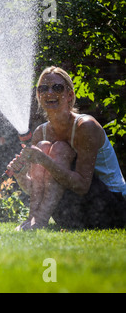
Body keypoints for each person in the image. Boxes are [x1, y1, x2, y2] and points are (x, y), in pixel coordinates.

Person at [7, 66, 126, 230]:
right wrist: (20, 176)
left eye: (57, 87)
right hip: (71, 211)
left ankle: (39, 222)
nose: (49, 92)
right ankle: (33, 220)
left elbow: (82, 186)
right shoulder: (40, 134)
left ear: (70, 95)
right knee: (43, 146)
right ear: (38, 96)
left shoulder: (86, 126)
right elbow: (39, 188)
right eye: (43, 88)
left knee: (61, 149)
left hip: (111, 208)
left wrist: (44, 159)